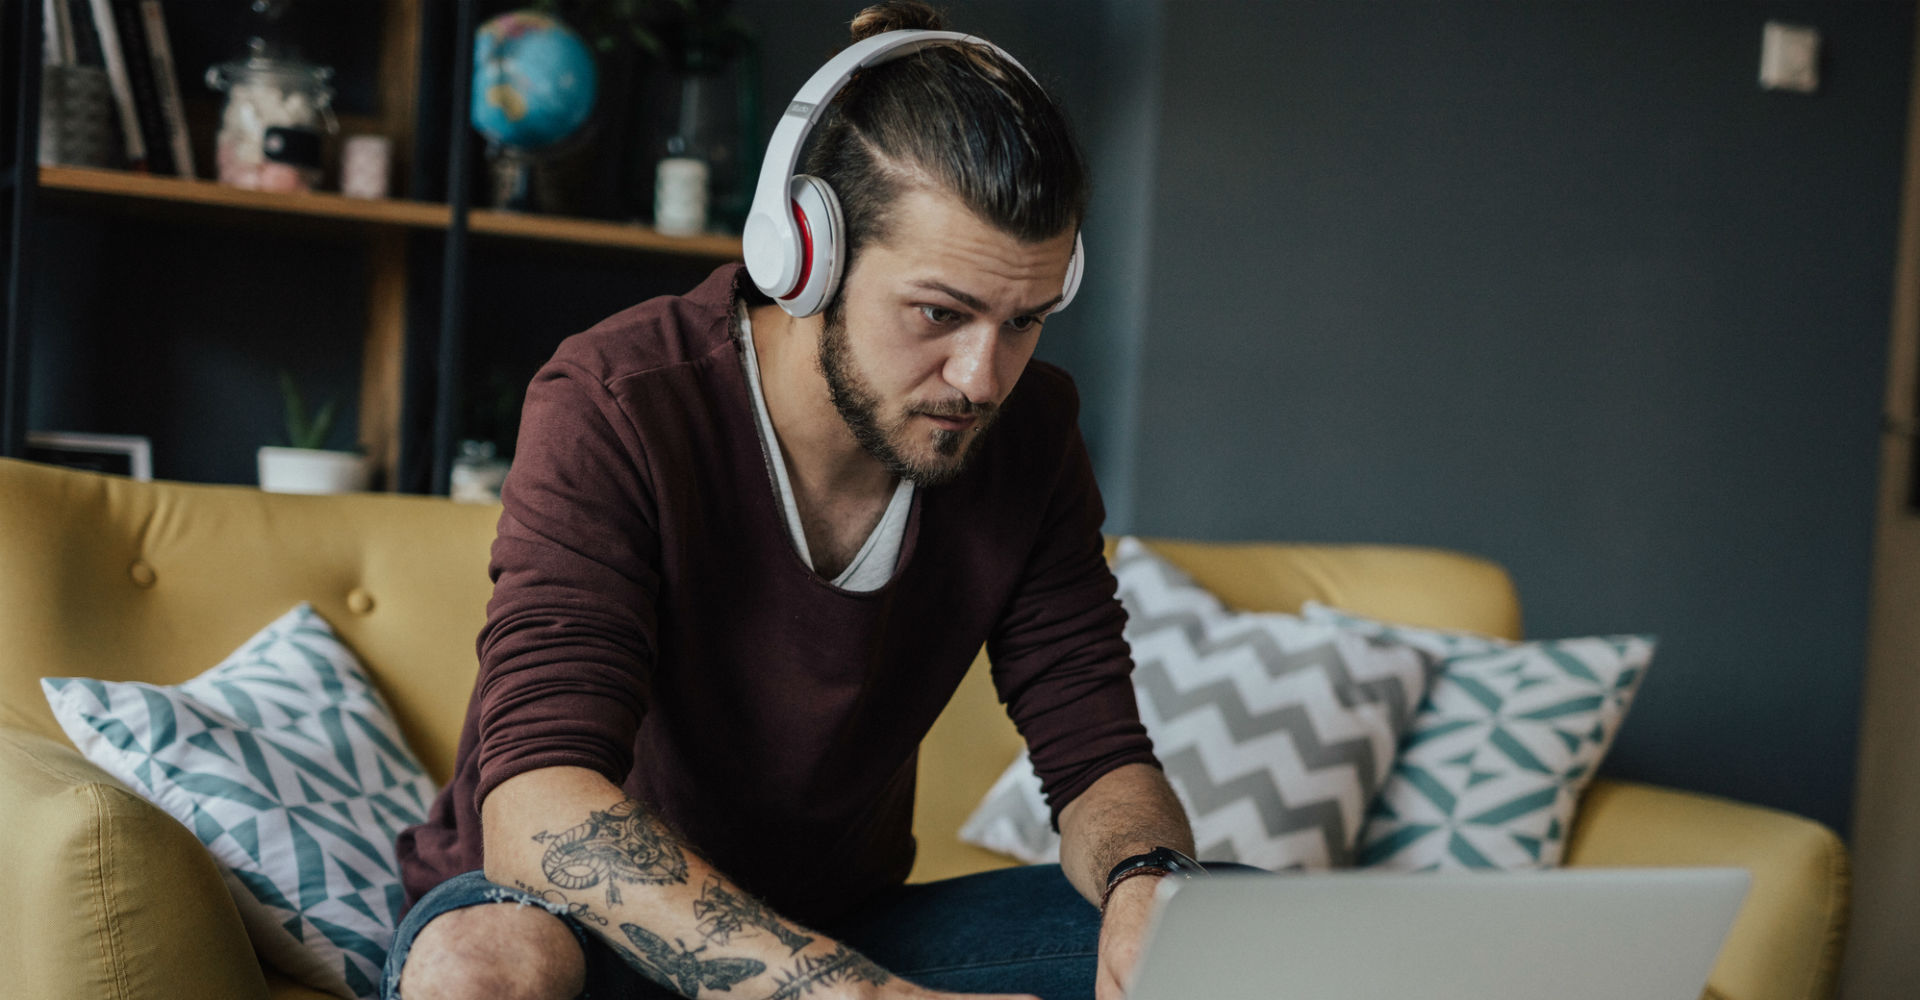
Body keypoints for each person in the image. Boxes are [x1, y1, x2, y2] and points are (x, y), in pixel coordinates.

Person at [384, 4, 1204, 999]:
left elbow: (1099, 757)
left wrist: (1146, 881)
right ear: (805, 257)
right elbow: (537, 811)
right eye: (940, 314)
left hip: (838, 923)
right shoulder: (617, 400)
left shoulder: (1027, 434)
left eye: (1025, 321)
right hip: (574, 925)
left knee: (1213, 931)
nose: (984, 377)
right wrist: (842, 994)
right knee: (484, 971)